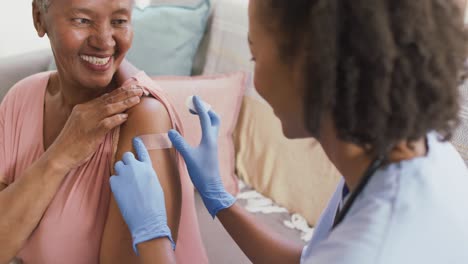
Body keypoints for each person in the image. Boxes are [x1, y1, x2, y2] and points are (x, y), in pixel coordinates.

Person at [110, 0, 468, 263]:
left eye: (255, 56)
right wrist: (221, 200)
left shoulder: (373, 250)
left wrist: (153, 237)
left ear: (311, 68)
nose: (256, 80)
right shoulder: (421, 152)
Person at [0, 0, 207, 263]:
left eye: (119, 21)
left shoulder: (144, 118)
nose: (104, 41)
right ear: (39, 18)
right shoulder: (21, 97)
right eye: (83, 20)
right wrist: (61, 154)